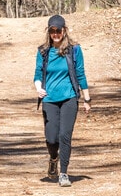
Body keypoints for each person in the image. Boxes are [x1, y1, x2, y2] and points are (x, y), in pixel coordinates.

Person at [33, 14, 91, 187]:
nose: (56, 34)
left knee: (65, 135)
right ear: (49, 32)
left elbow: (80, 73)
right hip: (49, 98)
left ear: (64, 31)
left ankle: (64, 173)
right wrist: (38, 88)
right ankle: (53, 158)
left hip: (69, 98)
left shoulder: (74, 49)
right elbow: (37, 73)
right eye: (52, 31)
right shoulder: (43, 51)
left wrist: (87, 99)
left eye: (59, 30)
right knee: (51, 138)